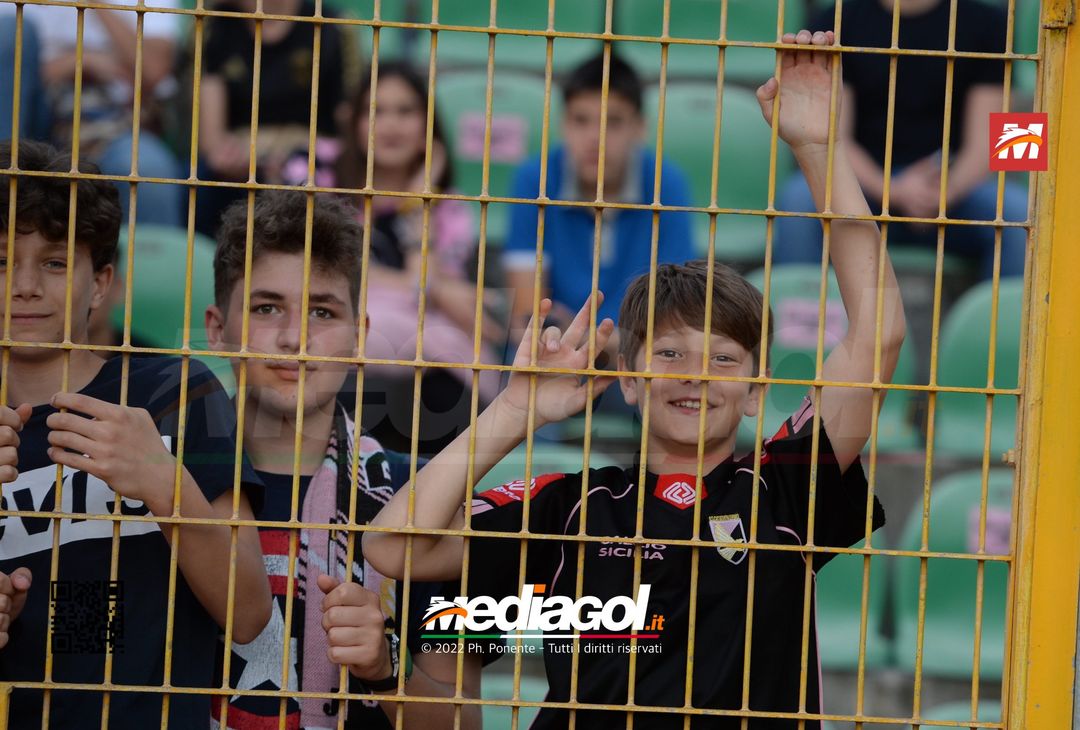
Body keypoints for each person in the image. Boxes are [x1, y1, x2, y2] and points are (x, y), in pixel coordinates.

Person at [363, 30, 904, 729]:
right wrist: (516, 409)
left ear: (755, 392)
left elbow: (878, 334)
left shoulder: (786, 487)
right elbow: (390, 547)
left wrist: (817, 149)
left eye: (722, 359)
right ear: (628, 379)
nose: (694, 377)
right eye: (670, 354)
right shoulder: (574, 507)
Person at [0, 140, 270, 727]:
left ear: (99, 284)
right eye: (1, 261)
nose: (24, 286)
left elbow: (249, 613)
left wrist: (163, 482)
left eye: (52, 262)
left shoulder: (175, 393)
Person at [204, 190, 482, 729]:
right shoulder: (162, 480)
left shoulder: (423, 497)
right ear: (218, 328)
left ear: (359, 337)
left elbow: (466, 722)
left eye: (322, 312)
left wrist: (386, 668)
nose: (293, 338)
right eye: (266, 308)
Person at [282, 61, 503, 454]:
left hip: (407, 364)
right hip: (337, 350)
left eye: (405, 111)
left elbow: (428, 298)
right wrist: (425, 288)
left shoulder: (448, 209)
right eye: (376, 111)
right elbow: (309, 271)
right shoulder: (314, 170)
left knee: (442, 395)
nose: (391, 125)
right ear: (353, 120)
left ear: (427, 127)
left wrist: (418, 204)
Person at [774, 0, 1026, 280]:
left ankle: (1010, 323)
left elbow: (994, 142)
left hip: (956, 189)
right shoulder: (834, 19)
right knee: (797, 200)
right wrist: (893, 191)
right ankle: (804, 322)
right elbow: (833, 135)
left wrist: (947, 192)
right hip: (859, 186)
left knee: (1018, 210)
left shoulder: (990, 22)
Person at [502, 51, 695, 336]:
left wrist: (595, 342)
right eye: (581, 120)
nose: (596, 136)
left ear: (640, 128)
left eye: (613, 122)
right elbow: (526, 314)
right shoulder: (535, 179)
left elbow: (673, 312)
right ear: (562, 125)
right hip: (555, 353)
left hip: (636, 360)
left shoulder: (666, 182)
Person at [0, 0, 185, 226]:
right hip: (25, 113)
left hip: (107, 120)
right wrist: (79, 62)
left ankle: (146, 260)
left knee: (148, 168)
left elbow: (153, 72)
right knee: (11, 29)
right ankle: (4, 164)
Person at [196, 0, 350, 236]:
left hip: (313, 162)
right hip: (238, 166)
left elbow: (348, 121)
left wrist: (295, 157)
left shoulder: (332, 26)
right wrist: (238, 160)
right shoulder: (215, 25)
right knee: (199, 179)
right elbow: (211, 139)